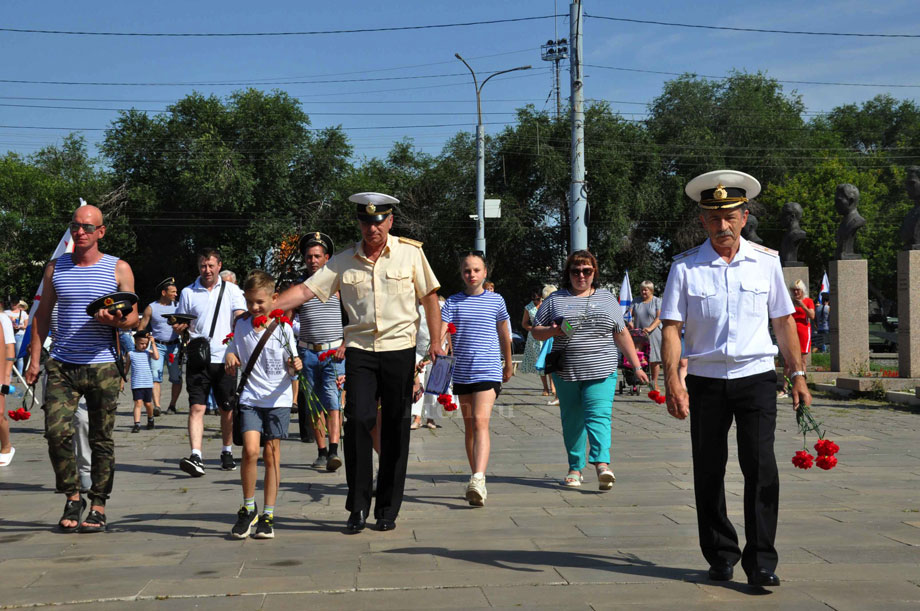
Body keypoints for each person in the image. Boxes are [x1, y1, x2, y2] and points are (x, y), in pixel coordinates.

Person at [660, 169, 812, 588]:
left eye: (730, 215)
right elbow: (671, 327)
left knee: (761, 468)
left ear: (744, 216)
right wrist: (673, 381)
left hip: (756, 378)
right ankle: (720, 553)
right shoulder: (686, 268)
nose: (722, 225)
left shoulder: (765, 262)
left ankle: (761, 561)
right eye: (713, 217)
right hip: (706, 381)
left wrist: (797, 374)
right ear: (703, 221)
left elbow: (783, 322)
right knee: (708, 469)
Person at [275, 192, 443, 534]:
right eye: (366, 222)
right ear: (360, 224)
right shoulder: (342, 260)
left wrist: (437, 340)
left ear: (390, 221)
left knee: (396, 427)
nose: (373, 228)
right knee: (359, 420)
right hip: (359, 350)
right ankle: (358, 504)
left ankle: (387, 508)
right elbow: (307, 291)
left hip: (399, 347)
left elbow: (429, 297)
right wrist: (269, 305)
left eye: (379, 221)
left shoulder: (411, 254)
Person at [25, 204, 140, 533]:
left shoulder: (118, 268)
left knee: (101, 438)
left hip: (103, 364)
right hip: (62, 363)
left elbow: (133, 316)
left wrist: (116, 319)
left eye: (88, 227)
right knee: (55, 433)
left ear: (101, 232)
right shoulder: (55, 268)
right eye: (76, 226)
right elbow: (42, 316)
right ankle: (73, 496)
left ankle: (99, 504)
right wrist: (35, 360)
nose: (80, 232)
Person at [531, 250, 649, 490]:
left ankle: (602, 465)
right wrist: (554, 331)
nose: (581, 275)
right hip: (567, 372)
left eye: (587, 271)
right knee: (572, 421)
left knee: (598, 417)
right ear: (568, 273)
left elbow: (621, 333)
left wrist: (636, 366)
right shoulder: (555, 300)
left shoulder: (607, 299)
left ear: (594, 272)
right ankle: (575, 468)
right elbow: (535, 330)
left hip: (602, 369)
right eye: (576, 271)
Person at [225, 271, 302, 540]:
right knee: (249, 451)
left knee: (271, 455)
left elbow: (292, 368)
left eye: (260, 302)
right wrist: (231, 356)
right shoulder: (242, 325)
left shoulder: (283, 328)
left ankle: (268, 514)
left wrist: (295, 366)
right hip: (249, 398)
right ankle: (249, 508)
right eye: (250, 302)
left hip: (277, 400)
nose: (254, 307)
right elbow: (232, 349)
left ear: (274, 298)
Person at [441, 253, 513, 506]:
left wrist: (508, 362)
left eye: (476, 270)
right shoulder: (452, 302)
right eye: (467, 270)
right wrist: (435, 348)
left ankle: (478, 479)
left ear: (485, 273)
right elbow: (442, 330)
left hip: (488, 371)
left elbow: (504, 332)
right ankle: (476, 476)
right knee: (470, 425)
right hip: (462, 372)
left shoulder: (496, 300)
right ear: (462, 274)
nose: (471, 274)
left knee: (481, 422)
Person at [174, 248, 246, 477]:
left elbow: (241, 318)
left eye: (211, 266)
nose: (207, 270)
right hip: (198, 358)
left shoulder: (232, 290)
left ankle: (227, 450)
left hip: (225, 357)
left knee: (226, 408)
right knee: (197, 407)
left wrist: (236, 347)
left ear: (219, 265)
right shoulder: (188, 292)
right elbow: (181, 320)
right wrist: (179, 326)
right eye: (203, 266)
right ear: (199, 267)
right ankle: (196, 454)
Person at [295, 232, 345, 472]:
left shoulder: (338, 285)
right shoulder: (299, 287)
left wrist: (345, 346)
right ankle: (322, 451)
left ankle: (335, 450)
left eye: (317, 256)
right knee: (314, 404)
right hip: (307, 353)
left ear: (326, 258)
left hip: (334, 353)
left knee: (333, 401)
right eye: (308, 256)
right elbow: (286, 320)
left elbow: (352, 320)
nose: (312, 260)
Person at [138, 277, 183, 415]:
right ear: (164, 293)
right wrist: (142, 342)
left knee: (176, 377)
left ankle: (172, 405)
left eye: (176, 292)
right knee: (155, 376)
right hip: (157, 346)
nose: (176, 294)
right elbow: (142, 327)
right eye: (173, 292)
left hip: (174, 347)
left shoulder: (179, 307)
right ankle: (157, 406)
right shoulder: (151, 308)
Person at [519, 286, 557, 398]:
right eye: (533, 299)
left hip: (548, 335)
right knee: (540, 362)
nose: (536, 301)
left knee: (550, 360)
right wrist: (533, 329)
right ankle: (545, 387)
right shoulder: (528, 308)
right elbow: (524, 323)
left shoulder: (546, 305)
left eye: (538, 299)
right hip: (535, 338)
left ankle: (553, 386)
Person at [780, 279, 815, 397]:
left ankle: (802, 387)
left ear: (802, 290)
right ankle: (784, 388)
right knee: (787, 362)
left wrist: (802, 305)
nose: (796, 293)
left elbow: (812, 315)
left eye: (798, 290)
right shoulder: (788, 301)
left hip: (804, 331)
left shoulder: (808, 301)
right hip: (790, 332)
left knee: (802, 361)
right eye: (793, 290)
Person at [629, 280, 663, 394]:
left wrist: (650, 328)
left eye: (646, 290)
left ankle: (654, 382)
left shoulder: (657, 301)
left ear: (651, 290)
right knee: (637, 356)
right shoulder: (636, 301)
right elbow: (629, 314)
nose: (643, 292)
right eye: (642, 289)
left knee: (654, 359)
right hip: (638, 333)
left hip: (653, 333)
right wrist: (629, 321)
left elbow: (659, 318)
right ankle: (638, 379)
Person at [126, 330, 159, 433]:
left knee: (148, 404)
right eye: (141, 343)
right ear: (135, 342)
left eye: (146, 344)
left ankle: (150, 418)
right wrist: (122, 380)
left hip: (147, 382)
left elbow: (157, 357)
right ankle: (137, 424)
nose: (144, 346)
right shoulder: (130, 354)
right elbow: (126, 368)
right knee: (138, 402)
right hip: (136, 383)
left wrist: (153, 343)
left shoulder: (148, 353)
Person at [0, 313, 16, 467]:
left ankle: (6, 446)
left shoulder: (2, 318)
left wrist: (6, 374)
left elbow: (9, 345)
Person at [8, 299, 29, 374]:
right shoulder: (7, 313)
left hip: (19, 335)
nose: (14, 305)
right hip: (9, 335)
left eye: (16, 303)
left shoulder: (23, 313)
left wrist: (19, 326)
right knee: (9, 356)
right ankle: (8, 375)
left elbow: (26, 326)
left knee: (19, 356)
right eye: (12, 303)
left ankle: (19, 374)